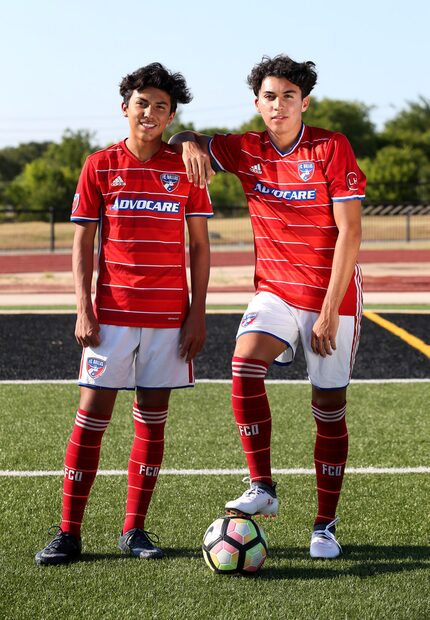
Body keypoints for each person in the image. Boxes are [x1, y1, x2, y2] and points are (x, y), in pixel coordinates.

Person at [170, 54, 365, 559]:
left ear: (305, 102)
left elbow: (351, 233)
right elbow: (178, 140)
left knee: (328, 409)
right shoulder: (245, 149)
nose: (279, 106)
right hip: (274, 288)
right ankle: (263, 486)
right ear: (256, 103)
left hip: (330, 296)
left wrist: (326, 312)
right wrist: (188, 140)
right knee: (242, 364)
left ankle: (325, 526)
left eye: (289, 96)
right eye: (269, 97)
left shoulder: (330, 147)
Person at [35, 63, 212, 565]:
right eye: (143, 103)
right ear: (125, 107)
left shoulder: (187, 168)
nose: (151, 113)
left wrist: (198, 314)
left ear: (171, 114)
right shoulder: (99, 164)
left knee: (151, 424)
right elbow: (82, 241)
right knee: (91, 417)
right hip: (110, 314)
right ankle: (69, 533)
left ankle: (134, 530)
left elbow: (199, 247)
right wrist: (82, 307)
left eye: (161, 106)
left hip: (168, 319)